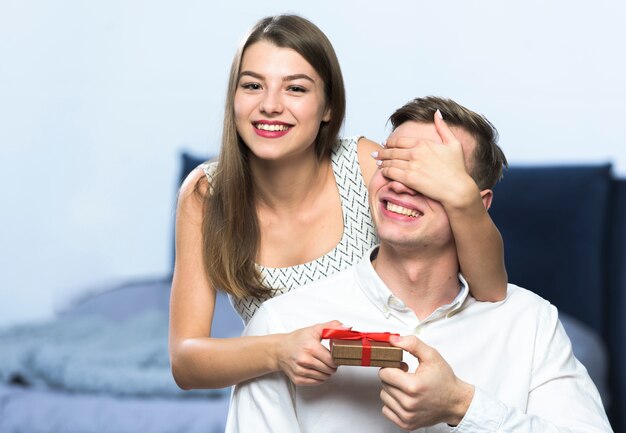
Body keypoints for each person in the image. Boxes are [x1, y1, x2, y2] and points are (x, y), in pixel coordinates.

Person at [224, 96, 612, 432]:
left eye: (430, 173)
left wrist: (462, 406)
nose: (400, 184)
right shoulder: (283, 325)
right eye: (391, 164)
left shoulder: (530, 324)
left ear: (479, 203)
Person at [169, 14, 507, 391]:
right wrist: (279, 350)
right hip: (288, 399)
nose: (269, 105)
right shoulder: (206, 194)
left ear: (328, 107)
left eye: (295, 89)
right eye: (252, 85)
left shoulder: (367, 165)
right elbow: (185, 360)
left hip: (394, 388)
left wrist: (461, 194)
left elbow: (490, 289)